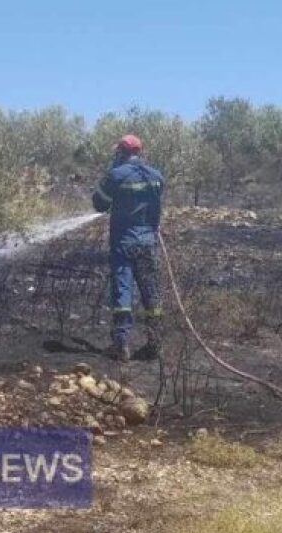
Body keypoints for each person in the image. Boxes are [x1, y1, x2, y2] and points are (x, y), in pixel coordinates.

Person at [91, 134, 165, 362]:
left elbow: (99, 204)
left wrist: (111, 176)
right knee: (150, 290)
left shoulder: (116, 175)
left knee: (122, 289)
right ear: (140, 152)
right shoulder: (156, 176)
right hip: (147, 241)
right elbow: (156, 205)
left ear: (121, 152)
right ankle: (155, 343)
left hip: (123, 242)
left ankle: (121, 343)